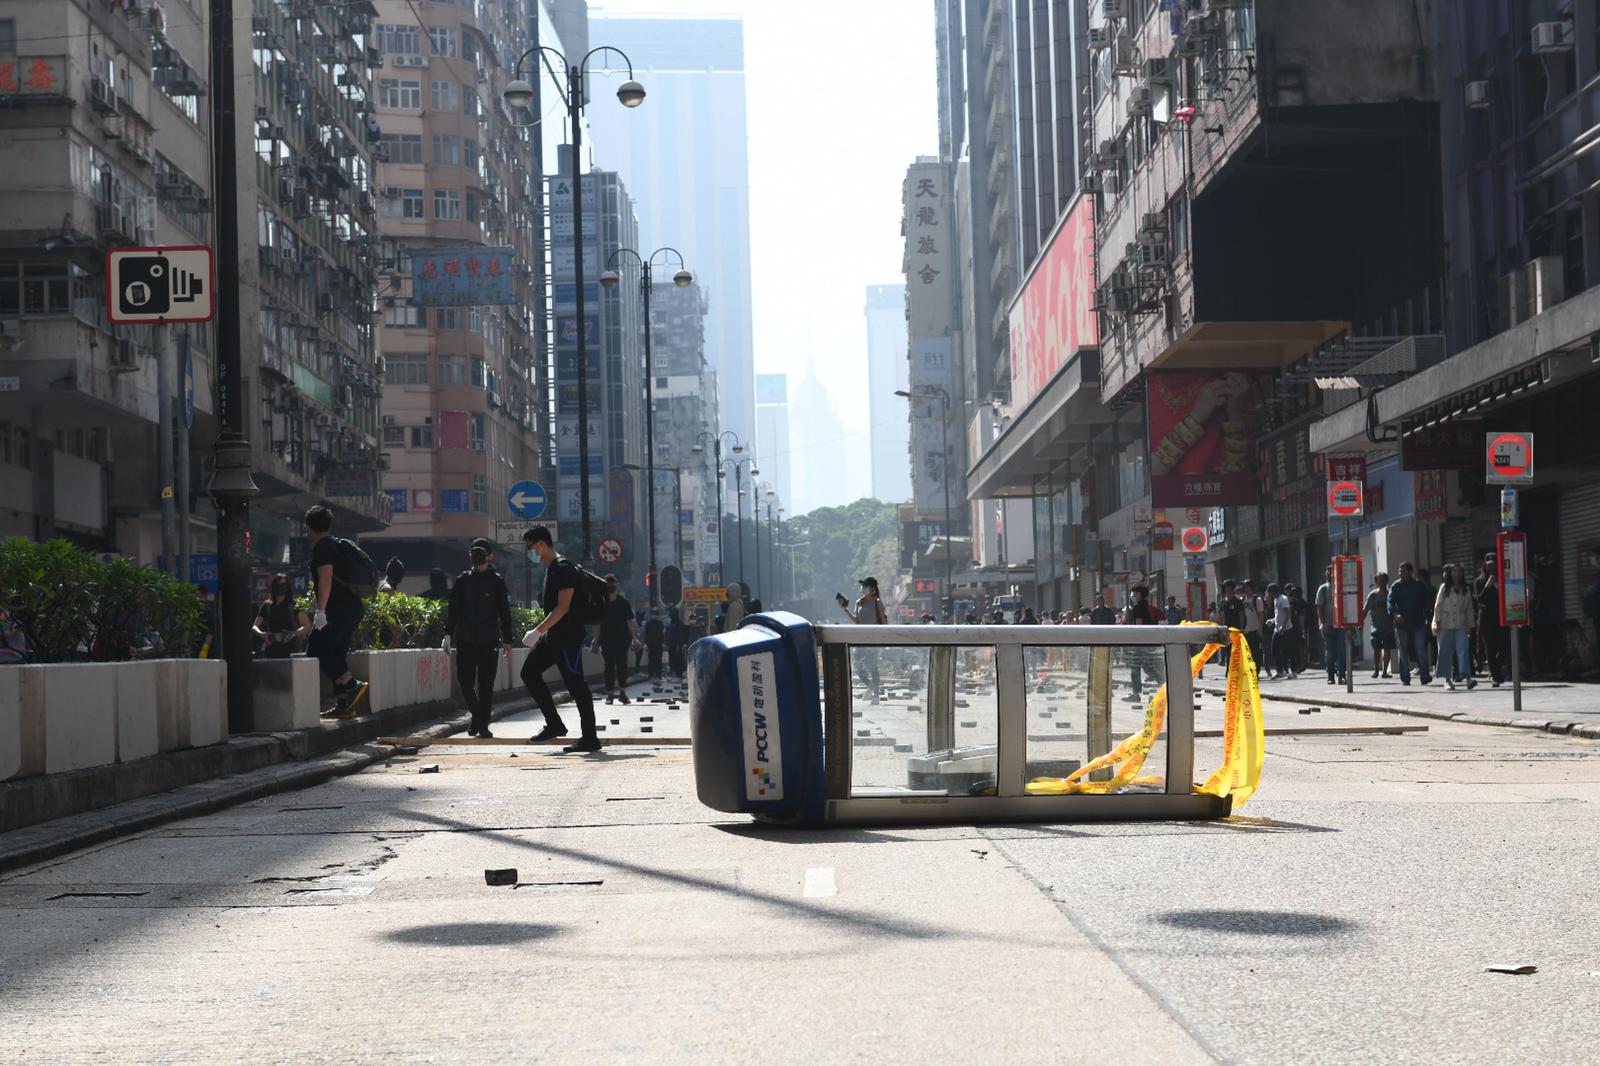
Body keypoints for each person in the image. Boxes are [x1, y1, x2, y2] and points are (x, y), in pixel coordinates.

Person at [519, 525, 600, 753]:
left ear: (541, 544)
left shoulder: (563, 568)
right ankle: (554, 724)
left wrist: (537, 631)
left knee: (577, 686)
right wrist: (543, 633)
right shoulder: (552, 569)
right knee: (529, 672)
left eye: (531, 547)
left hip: (568, 637)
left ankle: (590, 738)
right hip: (555, 636)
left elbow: (563, 607)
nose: (530, 552)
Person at [443, 538, 514, 737]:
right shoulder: (462, 580)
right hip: (466, 639)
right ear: (470, 556)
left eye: (482, 552)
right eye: (474, 551)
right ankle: (477, 716)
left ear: (490, 556)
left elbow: (504, 613)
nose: (478, 555)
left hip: (489, 640)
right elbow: (454, 610)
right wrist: (448, 634)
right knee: (464, 681)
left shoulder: (497, 582)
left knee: (486, 684)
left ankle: (483, 726)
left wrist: (508, 639)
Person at [303, 505, 370, 718]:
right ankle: (344, 705)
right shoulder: (336, 545)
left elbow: (326, 578)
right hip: (352, 607)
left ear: (308, 527)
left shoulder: (323, 547)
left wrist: (320, 611)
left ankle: (351, 684)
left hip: (337, 609)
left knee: (316, 650)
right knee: (336, 654)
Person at [839, 576, 887, 704]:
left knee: (873, 668)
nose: (863, 588)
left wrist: (885, 638)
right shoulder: (858, 602)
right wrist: (845, 610)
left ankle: (876, 695)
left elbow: (883, 621)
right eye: (863, 586)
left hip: (873, 641)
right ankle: (871, 686)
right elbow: (857, 621)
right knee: (859, 669)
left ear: (873, 589)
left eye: (866, 586)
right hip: (860, 641)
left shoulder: (877, 602)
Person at [594, 575, 641, 705]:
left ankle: (622, 693)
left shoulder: (623, 602)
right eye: (608, 584)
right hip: (606, 640)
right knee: (608, 667)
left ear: (617, 584)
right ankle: (610, 694)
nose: (610, 586)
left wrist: (634, 638)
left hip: (622, 640)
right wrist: (595, 639)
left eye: (612, 583)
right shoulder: (602, 603)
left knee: (622, 666)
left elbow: (629, 621)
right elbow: (597, 623)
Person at [1432, 562, 1478, 692]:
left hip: (1461, 624)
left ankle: (1468, 678)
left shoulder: (1466, 589)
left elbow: (1469, 608)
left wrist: (1470, 625)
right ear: (1450, 573)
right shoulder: (1444, 588)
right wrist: (1437, 622)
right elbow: (1438, 606)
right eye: (1454, 571)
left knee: (1463, 650)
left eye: (1459, 571)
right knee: (1445, 652)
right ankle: (1447, 680)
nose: (1456, 573)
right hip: (1445, 624)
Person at [1388, 561, 1432, 686]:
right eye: (1400, 571)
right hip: (1401, 624)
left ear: (1410, 572)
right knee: (1402, 650)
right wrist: (1395, 614)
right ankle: (1405, 678)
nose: (1401, 573)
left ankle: (1424, 676)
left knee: (1421, 649)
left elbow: (1426, 602)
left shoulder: (1419, 585)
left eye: (1403, 571)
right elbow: (1390, 602)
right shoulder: (1396, 586)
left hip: (1417, 622)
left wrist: (1428, 617)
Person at [252, 573, 308, 660]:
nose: (281, 587)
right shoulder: (267, 606)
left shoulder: (294, 604)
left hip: (290, 651)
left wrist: (293, 634)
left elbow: (306, 625)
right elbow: (254, 626)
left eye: (283, 584)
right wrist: (263, 635)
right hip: (271, 651)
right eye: (278, 584)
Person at [1122, 584, 1159, 703]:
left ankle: (1136, 694)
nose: (1133, 595)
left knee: (1135, 669)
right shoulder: (1145, 606)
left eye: (1135, 593)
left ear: (1140, 594)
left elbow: (1139, 626)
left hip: (1140, 643)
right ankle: (1165, 685)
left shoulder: (1138, 607)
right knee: (1148, 668)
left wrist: (1134, 642)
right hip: (1146, 642)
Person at [1475, 556, 1507, 687]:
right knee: (1490, 647)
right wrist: (1488, 585)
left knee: (1504, 647)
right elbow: (1480, 599)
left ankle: (1496, 670)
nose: (1492, 568)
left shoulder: (1502, 580)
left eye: (1494, 565)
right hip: (1487, 618)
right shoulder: (1479, 581)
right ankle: (1495, 675)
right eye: (1489, 566)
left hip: (1501, 617)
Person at [1314, 566, 1345, 685]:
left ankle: (1342, 675)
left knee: (1342, 651)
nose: (1330, 574)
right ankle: (1330, 675)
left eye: (1332, 571)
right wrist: (1323, 623)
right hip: (1328, 625)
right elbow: (1319, 608)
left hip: (1341, 625)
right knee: (1330, 652)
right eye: (1328, 572)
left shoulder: (1341, 587)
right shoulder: (1323, 589)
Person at [1366, 571, 1395, 678]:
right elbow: (1366, 609)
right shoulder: (1373, 595)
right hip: (1376, 627)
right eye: (1379, 580)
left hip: (1388, 627)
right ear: (1376, 581)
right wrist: (1359, 623)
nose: (1381, 582)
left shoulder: (1390, 594)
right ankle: (1376, 669)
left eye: (1383, 580)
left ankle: (1385, 671)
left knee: (1387, 649)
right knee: (1376, 649)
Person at [1266, 583, 1296, 680]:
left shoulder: (1283, 599)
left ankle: (1293, 672)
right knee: (1274, 650)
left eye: (1269, 592)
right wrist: (1273, 620)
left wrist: (1283, 627)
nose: (1268, 595)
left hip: (1286, 629)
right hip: (1278, 629)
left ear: (1273, 592)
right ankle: (1280, 671)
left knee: (1289, 650)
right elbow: (1278, 614)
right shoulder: (1276, 600)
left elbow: (1288, 612)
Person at [1241, 581, 1266, 668]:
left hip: (1255, 629)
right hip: (1246, 630)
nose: (1245, 589)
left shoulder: (1257, 600)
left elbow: (1261, 615)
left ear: (1251, 588)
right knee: (1247, 652)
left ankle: (1256, 670)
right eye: (1244, 587)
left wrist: (1260, 628)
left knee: (1256, 652)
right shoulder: (1243, 600)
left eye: (1247, 587)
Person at [667, 606, 690, 677]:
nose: (670, 615)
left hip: (677, 646)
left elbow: (680, 635)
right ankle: (673, 673)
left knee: (678, 660)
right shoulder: (671, 623)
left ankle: (678, 674)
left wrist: (679, 645)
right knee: (672, 659)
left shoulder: (679, 623)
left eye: (671, 613)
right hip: (671, 646)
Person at [644, 608, 666, 680]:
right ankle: (651, 675)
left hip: (659, 645)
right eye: (653, 614)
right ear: (651, 615)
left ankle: (658, 675)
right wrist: (646, 644)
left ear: (658, 616)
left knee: (658, 661)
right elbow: (646, 634)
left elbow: (662, 635)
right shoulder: (648, 624)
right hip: (650, 645)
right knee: (651, 661)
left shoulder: (660, 624)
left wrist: (663, 642)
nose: (655, 616)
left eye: (656, 615)